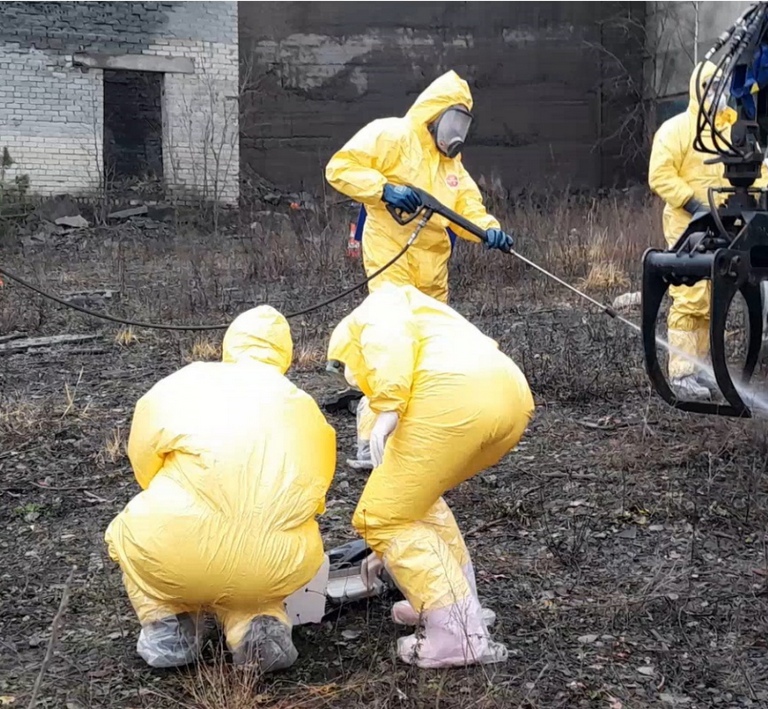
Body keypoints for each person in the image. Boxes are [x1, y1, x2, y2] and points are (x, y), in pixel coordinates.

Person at [104, 306, 337, 672]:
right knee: (264, 562)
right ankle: (256, 623)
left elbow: (142, 452)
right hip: (274, 565)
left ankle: (171, 623)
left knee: (127, 531)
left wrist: (167, 488)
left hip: (175, 549)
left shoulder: (190, 381)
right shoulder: (302, 404)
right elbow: (316, 490)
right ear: (285, 354)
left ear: (229, 343)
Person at [326, 283, 534, 669]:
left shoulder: (372, 312)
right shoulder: (428, 316)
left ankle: (457, 635)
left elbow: (385, 336)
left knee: (379, 517)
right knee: (417, 503)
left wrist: (387, 404)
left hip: (453, 399)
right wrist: (384, 554)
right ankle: (462, 605)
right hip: (510, 398)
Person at [325, 69, 516, 469]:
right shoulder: (392, 135)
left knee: (431, 351)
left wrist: (490, 231)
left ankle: (415, 437)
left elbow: (469, 209)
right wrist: (382, 189)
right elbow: (340, 168)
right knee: (392, 344)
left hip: (434, 269)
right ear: (434, 113)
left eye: (464, 122)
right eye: (453, 119)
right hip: (391, 256)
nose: (456, 130)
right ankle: (368, 437)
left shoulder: (453, 168)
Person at [648, 60, 768, 399]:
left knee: (711, 298)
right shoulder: (676, 130)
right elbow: (659, 174)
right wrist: (692, 203)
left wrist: (764, 197)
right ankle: (682, 373)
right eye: (710, 87)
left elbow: (756, 169)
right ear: (698, 89)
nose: (716, 95)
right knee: (689, 297)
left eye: (720, 87)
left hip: (724, 226)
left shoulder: (733, 129)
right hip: (686, 226)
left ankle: (700, 368)